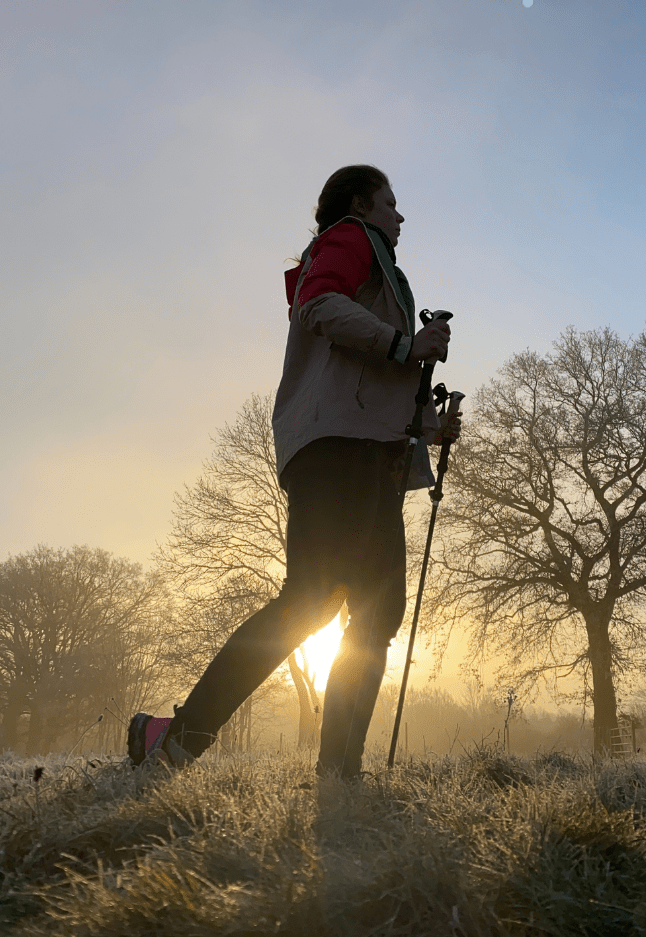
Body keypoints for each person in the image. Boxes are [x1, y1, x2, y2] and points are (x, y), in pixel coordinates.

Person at [128, 165, 459, 778]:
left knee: (326, 605)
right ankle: (323, 769)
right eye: (391, 201)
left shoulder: (367, 254)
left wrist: (429, 424)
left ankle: (180, 741)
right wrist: (405, 344)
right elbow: (320, 306)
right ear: (361, 203)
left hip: (351, 448)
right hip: (345, 450)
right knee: (346, 607)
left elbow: (358, 368)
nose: (400, 215)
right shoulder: (353, 238)